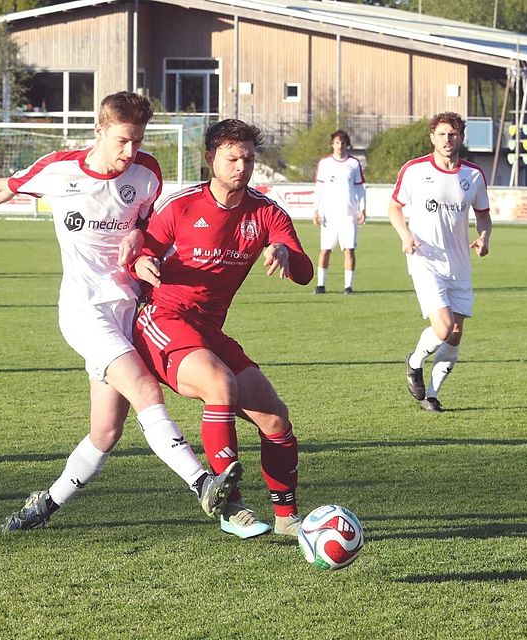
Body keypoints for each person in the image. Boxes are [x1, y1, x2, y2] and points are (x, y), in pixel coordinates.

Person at [0, 91, 241, 531]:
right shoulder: (60, 169)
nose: (130, 151)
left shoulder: (147, 172)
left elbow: (151, 227)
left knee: (106, 432)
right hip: (84, 309)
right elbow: (3, 187)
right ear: (99, 130)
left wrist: (140, 239)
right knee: (145, 389)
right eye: (122, 140)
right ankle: (202, 483)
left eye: (137, 140)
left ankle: (43, 505)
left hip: (129, 309)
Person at [130, 119, 314, 539]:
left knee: (275, 418)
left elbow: (304, 274)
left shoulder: (266, 212)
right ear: (210, 158)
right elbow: (142, 253)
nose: (241, 167)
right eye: (232, 159)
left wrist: (285, 252)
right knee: (220, 384)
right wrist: (142, 262)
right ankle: (231, 507)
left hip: (209, 329)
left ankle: (287, 518)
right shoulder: (181, 206)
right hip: (163, 318)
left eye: (248, 159)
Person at [388, 112, 492, 413]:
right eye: (443, 134)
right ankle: (414, 361)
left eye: (454, 133)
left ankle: (431, 395)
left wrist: (484, 237)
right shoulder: (415, 170)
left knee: (455, 334)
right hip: (425, 260)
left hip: (459, 264)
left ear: (461, 137)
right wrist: (405, 235)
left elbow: (483, 215)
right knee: (444, 328)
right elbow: (394, 207)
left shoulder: (473, 175)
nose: (448, 139)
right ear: (432, 137)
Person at [311, 129, 366, 295]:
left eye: (343, 142)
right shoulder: (325, 163)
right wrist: (316, 210)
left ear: (347, 144)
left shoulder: (354, 164)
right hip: (329, 216)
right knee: (325, 250)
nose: (340, 145)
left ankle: (348, 286)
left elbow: (360, 188)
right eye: (337, 142)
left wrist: (362, 208)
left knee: (349, 250)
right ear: (332, 144)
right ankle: (320, 284)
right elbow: (319, 188)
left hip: (348, 215)